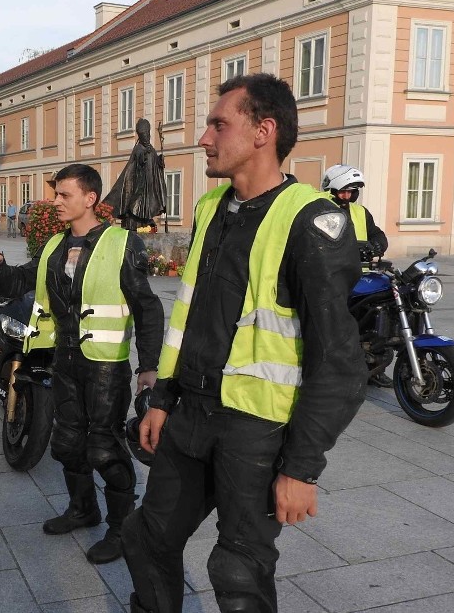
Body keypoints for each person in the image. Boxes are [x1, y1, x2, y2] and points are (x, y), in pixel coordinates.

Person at [121, 74, 368, 613]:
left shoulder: (311, 220)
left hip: (256, 432)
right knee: (145, 538)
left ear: (264, 131)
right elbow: (189, 317)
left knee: (237, 570)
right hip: (191, 415)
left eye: (218, 124)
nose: (204, 139)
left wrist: (301, 468)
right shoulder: (212, 208)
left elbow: (342, 363)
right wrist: (162, 399)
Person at [0, 163, 164, 564]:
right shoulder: (53, 245)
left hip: (104, 366)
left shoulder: (121, 243)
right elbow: (19, 282)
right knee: (66, 443)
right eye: (57, 194)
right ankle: (83, 509)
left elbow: (147, 308)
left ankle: (121, 529)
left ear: (90, 199)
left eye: (64, 195)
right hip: (62, 360)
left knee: (104, 449)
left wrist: (148, 368)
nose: (56, 202)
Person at [321, 164, 391, 387]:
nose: (346, 196)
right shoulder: (321, 209)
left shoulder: (361, 212)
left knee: (382, 313)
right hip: (334, 276)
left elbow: (377, 234)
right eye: (342, 191)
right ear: (331, 190)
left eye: (351, 191)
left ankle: (377, 366)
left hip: (363, 278)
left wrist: (377, 246)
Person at [103, 118, 166, 231]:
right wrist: (144, 155)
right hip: (139, 182)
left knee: (148, 201)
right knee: (136, 201)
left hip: (150, 182)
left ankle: (145, 219)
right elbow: (138, 161)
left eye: (147, 134)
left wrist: (160, 161)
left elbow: (155, 164)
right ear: (140, 136)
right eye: (143, 135)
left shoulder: (151, 149)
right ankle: (134, 218)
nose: (146, 137)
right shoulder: (138, 148)